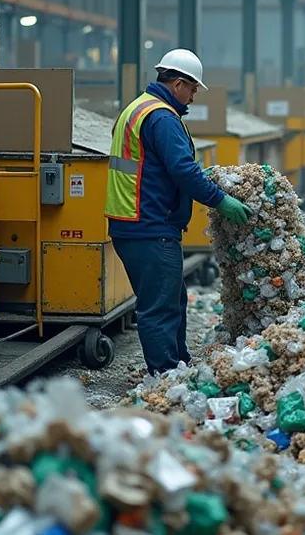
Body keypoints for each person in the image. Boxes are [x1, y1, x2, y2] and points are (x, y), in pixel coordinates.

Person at [105, 48, 252, 375]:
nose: (194, 96)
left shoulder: (138, 108)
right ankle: (166, 373)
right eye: (193, 89)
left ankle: (177, 363)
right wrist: (220, 200)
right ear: (178, 84)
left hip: (134, 222)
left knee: (172, 300)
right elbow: (183, 170)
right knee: (160, 307)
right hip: (149, 226)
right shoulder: (161, 117)